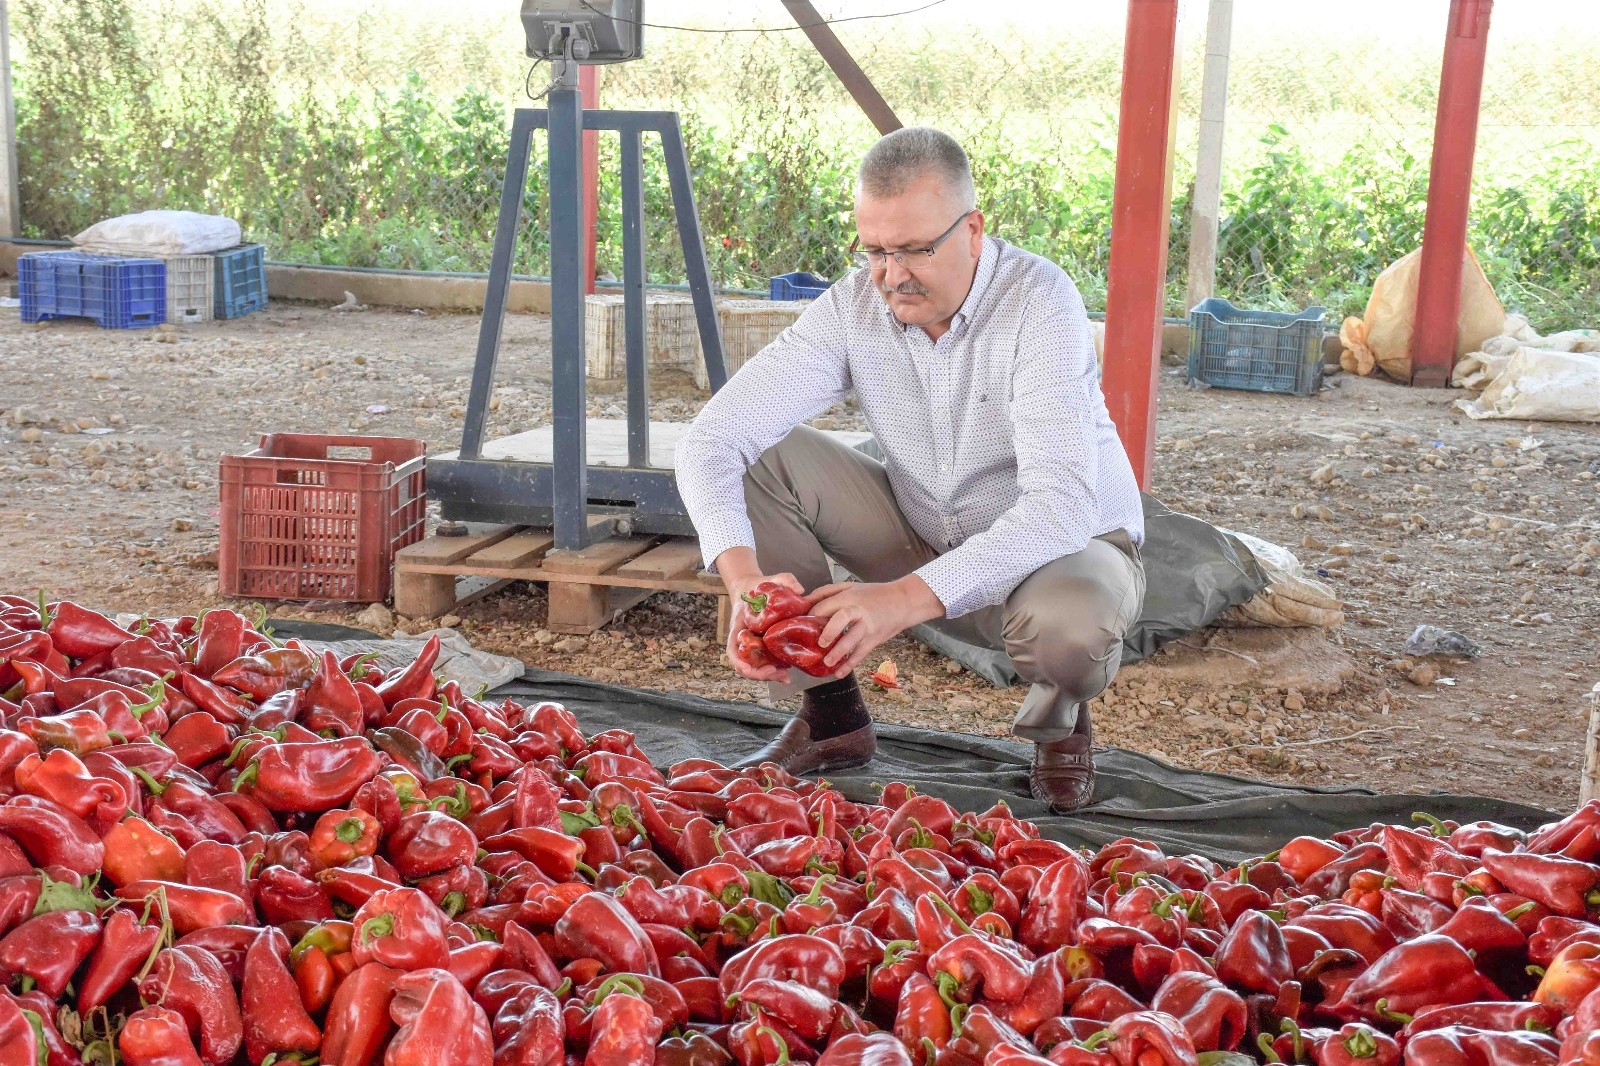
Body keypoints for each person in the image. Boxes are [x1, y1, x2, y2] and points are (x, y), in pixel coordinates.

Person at [673, 127, 1146, 813]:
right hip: (921, 521)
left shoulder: (1039, 303)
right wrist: (746, 585)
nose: (893, 275)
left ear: (975, 231)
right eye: (876, 251)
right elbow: (710, 439)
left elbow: (1059, 508)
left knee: (1071, 630)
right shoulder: (855, 305)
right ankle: (831, 716)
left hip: (1060, 550)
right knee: (757, 460)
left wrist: (897, 600)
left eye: (917, 249)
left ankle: (1062, 725)